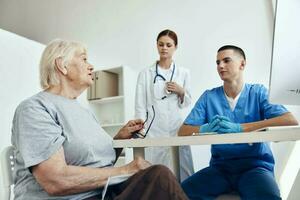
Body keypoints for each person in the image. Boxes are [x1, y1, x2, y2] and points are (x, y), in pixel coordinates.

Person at [11, 39, 188, 200]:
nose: (91, 66)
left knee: (158, 176)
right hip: (75, 198)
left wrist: (119, 138)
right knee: (160, 178)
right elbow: (55, 179)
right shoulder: (35, 108)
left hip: (102, 192)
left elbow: (98, 161)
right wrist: (127, 170)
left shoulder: (83, 110)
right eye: (84, 59)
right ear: (61, 66)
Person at [178, 45, 298, 199]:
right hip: (220, 169)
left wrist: (242, 128)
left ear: (242, 64)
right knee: (180, 193)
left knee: (267, 196)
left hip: (255, 167)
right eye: (217, 62)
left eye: (226, 60)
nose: (220, 66)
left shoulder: (258, 93)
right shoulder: (209, 97)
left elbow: (290, 120)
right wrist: (203, 129)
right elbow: (183, 131)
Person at [135, 29, 194, 180]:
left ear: (175, 47)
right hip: (154, 131)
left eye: (169, 45)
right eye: (161, 44)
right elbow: (140, 105)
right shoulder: (146, 74)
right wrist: (140, 131)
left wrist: (181, 91)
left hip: (176, 128)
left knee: (183, 172)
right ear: (156, 45)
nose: (164, 48)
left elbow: (187, 102)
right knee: (156, 174)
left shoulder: (183, 72)